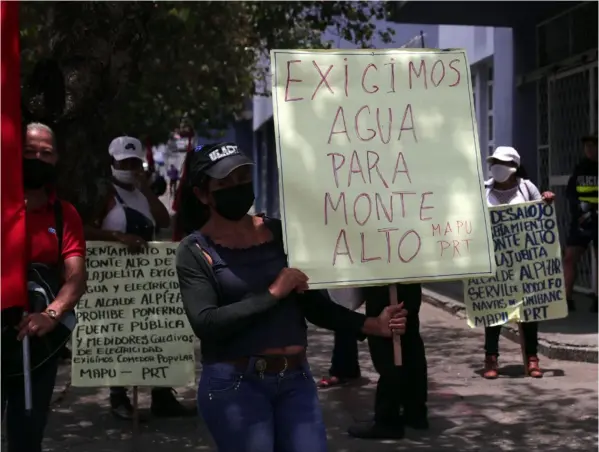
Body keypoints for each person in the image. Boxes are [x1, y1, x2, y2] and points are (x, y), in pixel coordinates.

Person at [175, 142, 408, 452]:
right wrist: (273, 292)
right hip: (235, 386)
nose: (238, 187)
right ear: (203, 194)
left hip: (295, 379)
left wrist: (372, 325)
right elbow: (206, 323)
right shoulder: (194, 251)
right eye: (225, 183)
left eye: (243, 177)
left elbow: (315, 306)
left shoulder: (282, 235)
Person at [83, 136, 193, 419]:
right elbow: (82, 230)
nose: (130, 168)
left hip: (146, 277)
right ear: (113, 163)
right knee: (122, 335)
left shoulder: (141, 193)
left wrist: (146, 189)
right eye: (124, 163)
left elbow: (165, 221)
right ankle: (119, 397)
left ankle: (161, 395)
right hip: (114, 278)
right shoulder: (104, 194)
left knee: (155, 331)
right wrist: (117, 237)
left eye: (135, 163)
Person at [1, 123, 87, 452]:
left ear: (56, 160)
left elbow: (76, 277)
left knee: (27, 435)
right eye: (29, 151)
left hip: (35, 346)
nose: (37, 157)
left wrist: (51, 314)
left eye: (46, 153)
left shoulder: (64, 215)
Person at [481, 146, 555, 379]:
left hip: (524, 261)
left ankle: (532, 358)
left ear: (513, 166)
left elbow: (541, 216)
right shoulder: (482, 190)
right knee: (493, 310)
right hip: (494, 260)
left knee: (528, 310)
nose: (495, 166)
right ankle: (491, 358)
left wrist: (546, 201)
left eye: (501, 162)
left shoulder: (526, 187)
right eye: (493, 161)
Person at [348, 283, 427, 440]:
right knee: (408, 339)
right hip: (406, 278)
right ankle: (415, 412)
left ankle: (387, 421)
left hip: (385, 280)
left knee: (388, 346)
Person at [563, 133, 598, 313]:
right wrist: (579, 206)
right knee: (570, 258)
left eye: (593, 145)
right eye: (587, 146)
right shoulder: (580, 168)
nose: (590, 149)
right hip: (582, 220)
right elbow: (570, 193)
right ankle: (567, 299)